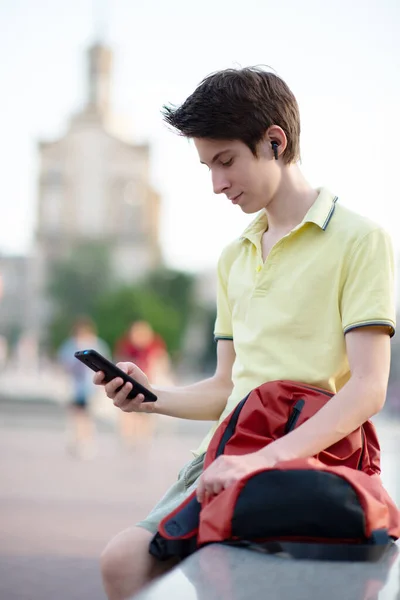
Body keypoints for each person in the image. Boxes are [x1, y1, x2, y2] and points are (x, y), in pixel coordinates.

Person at [95, 67, 395, 600]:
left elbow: (368, 388)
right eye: (208, 166)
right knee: (121, 563)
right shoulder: (234, 255)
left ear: (274, 142)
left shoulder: (360, 240)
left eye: (225, 161)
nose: (216, 184)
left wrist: (263, 459)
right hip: (229, 451)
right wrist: (149, 398)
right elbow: (226, 387)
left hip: (309, 456)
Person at [58, 316, 110, 459]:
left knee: (87, 416)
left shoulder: (97, 345)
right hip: (75, 387)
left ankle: (86, 441)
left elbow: (105, 364)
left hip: (91, 387)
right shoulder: (70, 345)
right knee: (76, 415)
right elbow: (65, 365)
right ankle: (77, 440)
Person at [114, 321, 172, 447]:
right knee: (129, 412)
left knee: (146, 414)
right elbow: (120, 360)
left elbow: (162, 364)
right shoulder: (128, 347)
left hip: (149, 383)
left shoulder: (155, 347)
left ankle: (144, 440)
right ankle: (129, 439)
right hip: (130, 383)